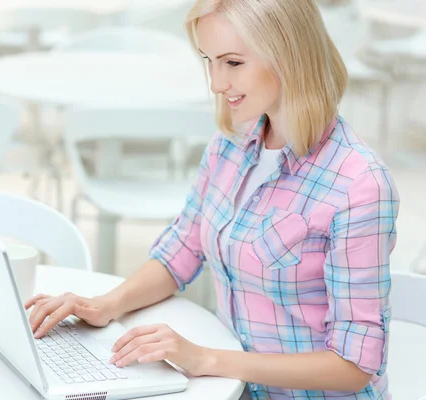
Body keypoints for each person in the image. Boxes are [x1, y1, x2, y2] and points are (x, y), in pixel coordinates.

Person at [25, 0, 400, 398]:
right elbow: (183, 249)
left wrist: (204, 359)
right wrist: (104, 305)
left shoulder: (359, 185)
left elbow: (354, 365)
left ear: (291, 55)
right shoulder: (232, 144)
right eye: (210, 61)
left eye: (233, 63)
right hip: (234, 388)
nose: (217, 84)